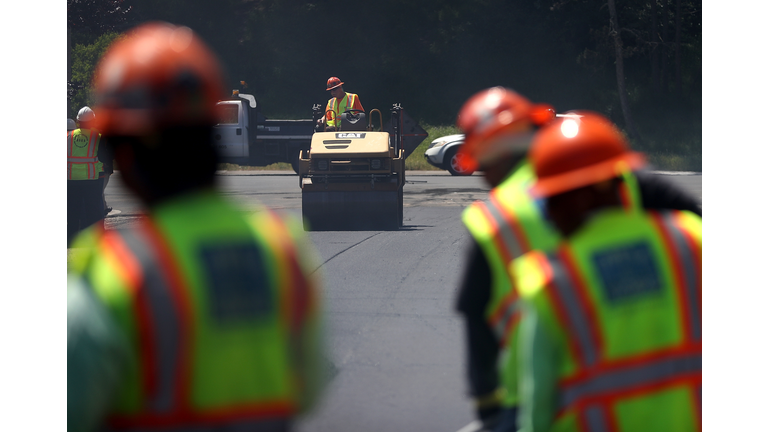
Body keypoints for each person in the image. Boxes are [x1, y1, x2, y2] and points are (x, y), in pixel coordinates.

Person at [67, 22, 326, 432]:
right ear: (208, 128)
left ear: (123, 150)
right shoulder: (281, 247)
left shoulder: (110, 272)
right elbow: (309, 386)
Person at [453, 88, 702, 432]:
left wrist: (488, 408)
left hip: (554, 396)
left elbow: (477, 325)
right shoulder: (616, 178)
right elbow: (692, 216)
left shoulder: (503, 228)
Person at [67, 106, 106, 246]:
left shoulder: (68, 136)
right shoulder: (98, 137)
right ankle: (95, 243)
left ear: (78, 121)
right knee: (93, 213)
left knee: (72, 213)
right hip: (92, 180)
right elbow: (105, 157)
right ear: (93, 121)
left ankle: (70, 242)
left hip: (71, 180)